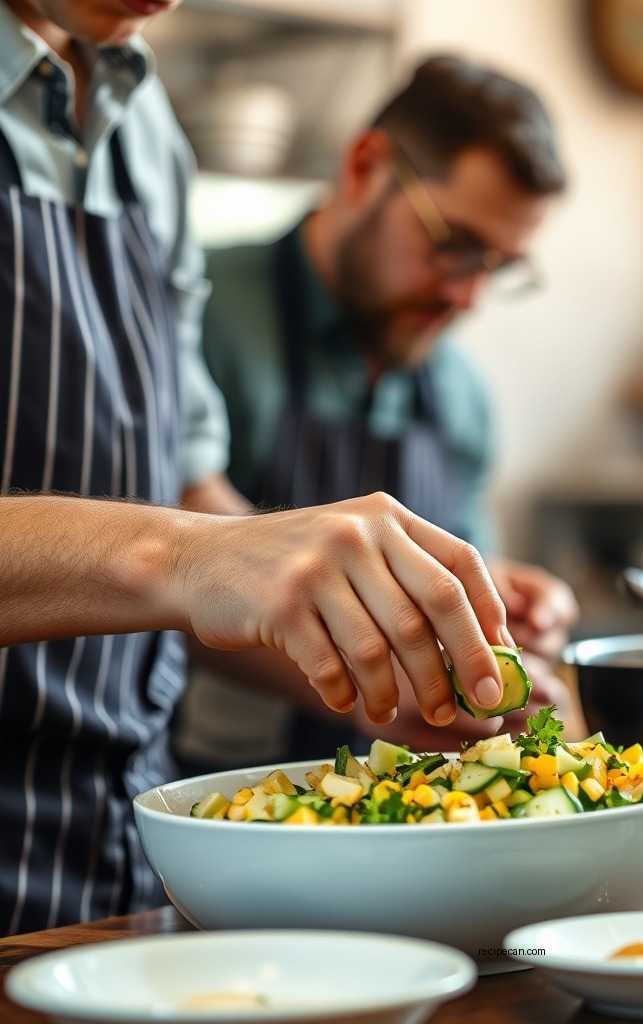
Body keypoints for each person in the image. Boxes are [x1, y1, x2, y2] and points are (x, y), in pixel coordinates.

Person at [0, 0, 520, 937]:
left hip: (128, 852)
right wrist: (185, 557)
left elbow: (186, 473)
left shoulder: (148, 134)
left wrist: (385, 644)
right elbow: (187, 543)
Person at [174, 55, 582, 768]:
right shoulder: (196, 316)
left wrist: (501, 606)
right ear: (365, 167)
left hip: (402, 820)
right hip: (204, 800)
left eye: (497, 266)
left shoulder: (460, 395)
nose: (467, 298)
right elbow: (150, 579)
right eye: (454, 245)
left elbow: (454, 591)